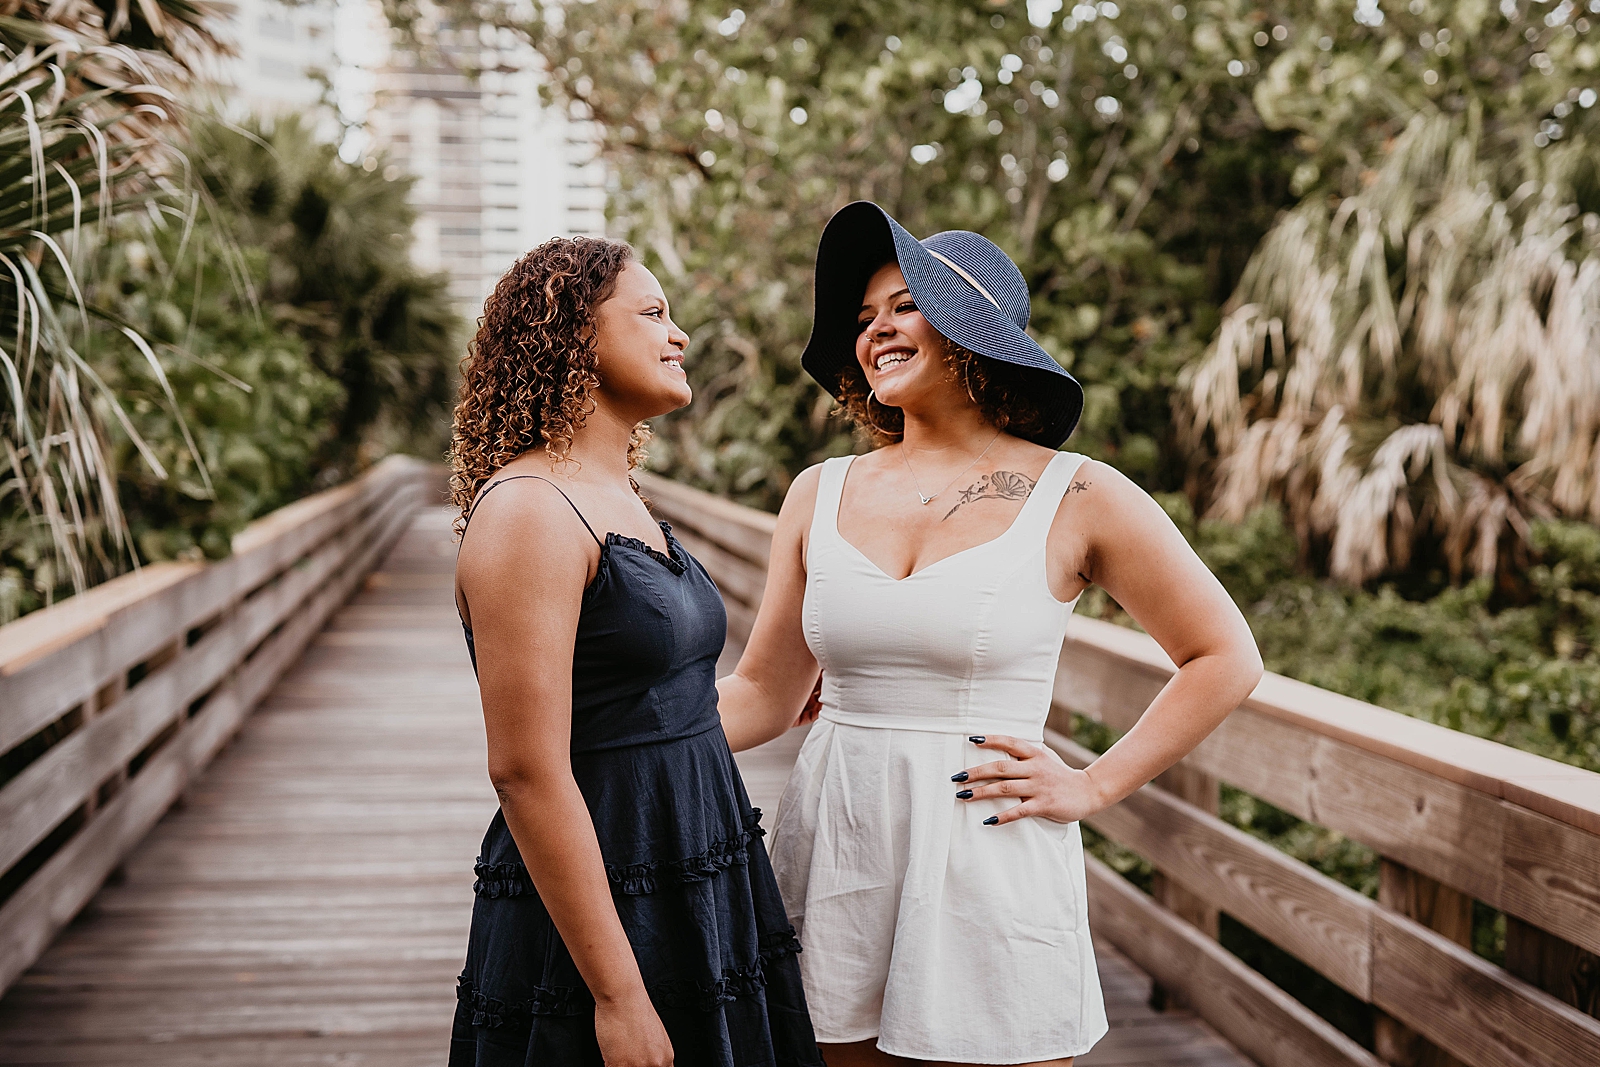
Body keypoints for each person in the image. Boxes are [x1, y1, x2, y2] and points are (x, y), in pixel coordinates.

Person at [715, 203, 1264, 1067]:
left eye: (904, 305)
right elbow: (760, 694)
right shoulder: (817, 492)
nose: (876, 330)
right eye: (863, 319)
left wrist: (1094, 784)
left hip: (989, 849)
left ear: (972, 334)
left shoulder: (1081, 495)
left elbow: (1225, 655)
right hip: (838, 847)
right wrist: (609, 732)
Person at [447, 237, 821, 1067]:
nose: (679, 333)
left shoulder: (619, 498)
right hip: (602, 906)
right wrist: (617, 995)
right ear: (574, 335)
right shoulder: (530, 511)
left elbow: (661, 715)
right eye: (652, 313)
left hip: (695, 869)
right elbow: (525, 768)